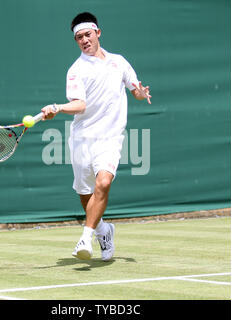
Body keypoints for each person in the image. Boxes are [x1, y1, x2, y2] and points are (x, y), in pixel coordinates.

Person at [41, 12, 151, 261]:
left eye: (87, 34)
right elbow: (80, 105)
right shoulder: (76, 70)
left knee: (103, 183)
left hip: (110, 138)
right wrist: (57, 108)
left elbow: (134, 89)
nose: (84, 40)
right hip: (82, 140)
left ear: (98, 32)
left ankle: (85, 238)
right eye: (78, 37)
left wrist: (141, 93)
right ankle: (104, 230)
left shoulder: (119, 62)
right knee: (85, 194)